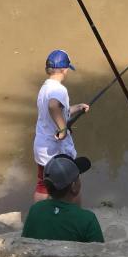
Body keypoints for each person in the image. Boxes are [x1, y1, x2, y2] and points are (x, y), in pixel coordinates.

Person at [33, 49, 89, 202]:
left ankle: (39, 217)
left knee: (43, 185)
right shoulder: (59, 89)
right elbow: (53, 106)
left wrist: (77, 107)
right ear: (64, 70)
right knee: (73, 184)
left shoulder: (45, 88)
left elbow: (57, 111)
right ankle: (73, 218)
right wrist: (63, 130)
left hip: (42, 147)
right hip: (56, 150)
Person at [22, 154, 104, 243]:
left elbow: (25, 243)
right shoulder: (88, 220)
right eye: (77, 178)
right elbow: (100, 253)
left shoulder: (35, 210)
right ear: (73, 186)